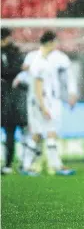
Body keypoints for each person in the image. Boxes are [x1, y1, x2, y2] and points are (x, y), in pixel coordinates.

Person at [20, 31, 77, 176]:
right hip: (39, 101)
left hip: (53, 100)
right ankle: (26, 166)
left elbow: (67, 78)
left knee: (50, 132)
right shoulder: (36, 60)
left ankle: (55, 166)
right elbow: (34, 83)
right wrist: (43, 106)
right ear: (51, 42)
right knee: (37, 133)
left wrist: (71, 92)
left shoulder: (57, 58)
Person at [1, 28, 27, 175]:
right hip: (6, 97)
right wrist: (19, 69)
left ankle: (9, 164)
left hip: (8, 99)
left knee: (10, 130)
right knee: (10, 131)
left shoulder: (12, 52)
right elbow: (4, 72)